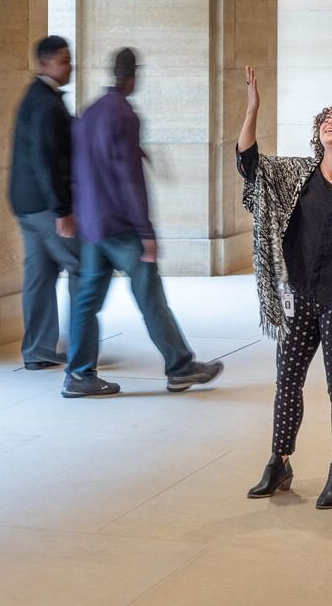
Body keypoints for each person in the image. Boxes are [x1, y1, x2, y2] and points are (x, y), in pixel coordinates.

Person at [237, 66, 332, 508]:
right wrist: (252, 108)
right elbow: (250, 165)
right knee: (287, 381)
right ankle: (279, 461)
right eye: (328, 115)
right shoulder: (296, 175)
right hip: (298, 297)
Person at [62, 48, 223, 398]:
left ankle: (78, 374)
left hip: (93, 225)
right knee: (150, 296)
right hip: (121, 227)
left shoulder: (89, 114)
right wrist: (146, 232)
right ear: (133, 76)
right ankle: (180, 367)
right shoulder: (125, 115)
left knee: (87, 301)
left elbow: (82, 167)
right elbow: (128, 178)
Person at [9, 35, 80, 370]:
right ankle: (83, 349)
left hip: (26, 205)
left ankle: (37, 350)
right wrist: (63, 211)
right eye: (64, 60)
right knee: (85, 268)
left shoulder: (36, 96)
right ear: (45, 63)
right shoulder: (46, 104)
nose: (70, 66)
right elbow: (46, 160)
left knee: (40, 274)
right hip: (44, 208)